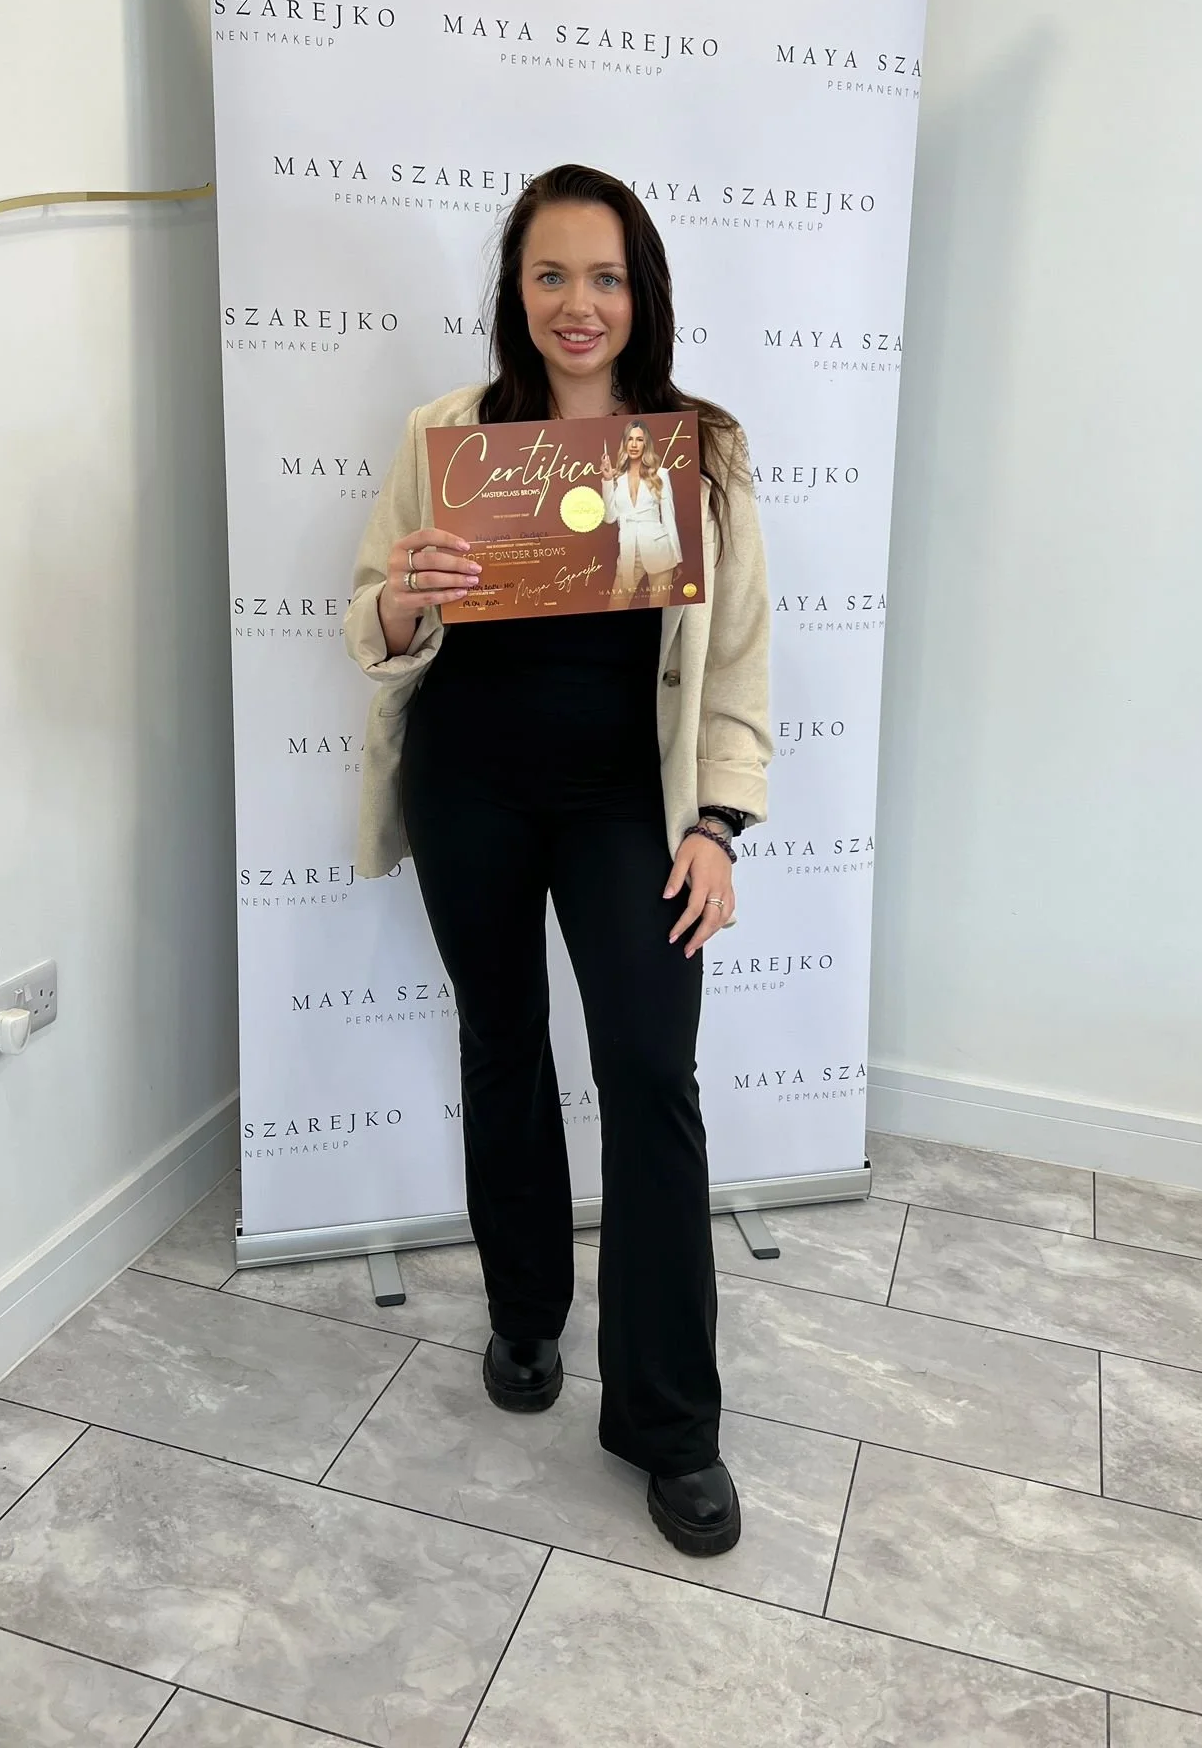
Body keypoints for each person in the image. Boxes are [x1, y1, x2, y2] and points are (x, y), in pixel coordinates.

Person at [343, 162, 772, 1557]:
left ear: (639, 293)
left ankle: (668, 1423)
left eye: (604, 276)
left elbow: (741, 660)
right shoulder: (447, 434)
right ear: (514, 291)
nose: (576, 304)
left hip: (621, 808)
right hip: (469, 782)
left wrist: (716, 824)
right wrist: (407, 593)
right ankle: (526, 1313)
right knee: (502, 1040)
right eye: (550, 275)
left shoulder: (694, 447)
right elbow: (373, 617)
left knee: (651, 1069)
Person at [602, 420, 681, 607]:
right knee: (615, 606)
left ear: (646, 443)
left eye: (639, 439)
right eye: (630, 439)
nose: (634, 445)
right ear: (625, 443)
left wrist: (677, 557)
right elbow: (609, 517)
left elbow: (669, 516)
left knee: (658, 612)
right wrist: (606, 481)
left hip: (659, 548)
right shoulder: (616, 478)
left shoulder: (660, 474)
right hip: (628, 549)